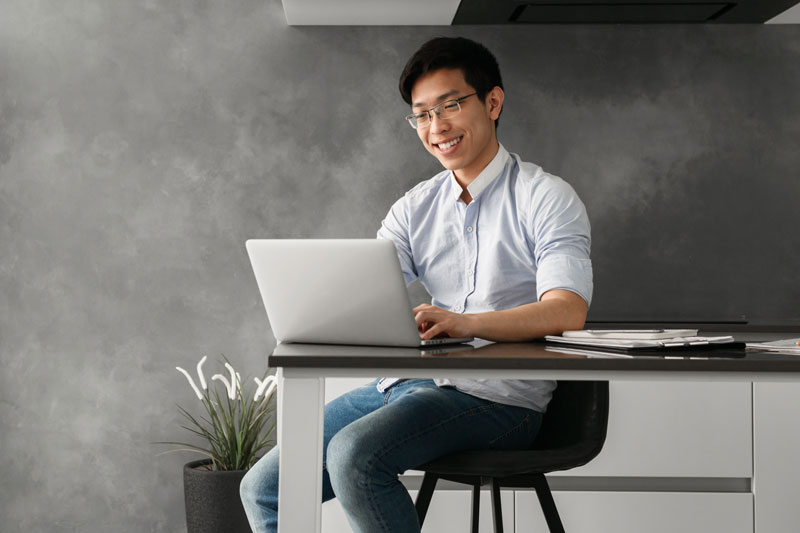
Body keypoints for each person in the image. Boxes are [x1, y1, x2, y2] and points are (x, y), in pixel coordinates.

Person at [240, 36, 593, 533]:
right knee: (263, 489)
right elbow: (360, 291)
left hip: (501, 400)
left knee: (354, 458)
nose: (437, 127)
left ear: (492, 102)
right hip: (405, 387)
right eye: (422, 114)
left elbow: (567, 310)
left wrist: (465, 322)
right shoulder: (414, 207)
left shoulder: (546, 197)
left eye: (450, 105)